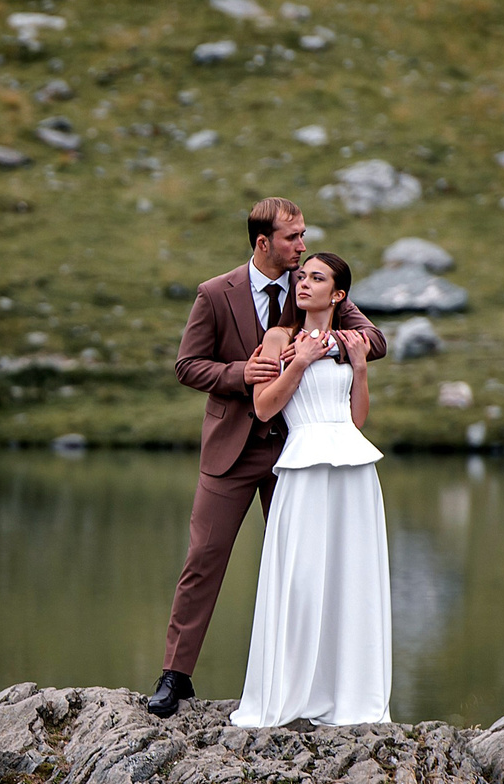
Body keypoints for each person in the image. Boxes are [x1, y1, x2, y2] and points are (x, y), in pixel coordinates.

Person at [144, 199, 386, 719]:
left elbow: (373, 339)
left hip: (297, 452)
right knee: (203, 560)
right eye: (292, 237)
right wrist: (241, 375)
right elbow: (188, 366)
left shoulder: (315, 286)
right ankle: (175, 676)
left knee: (304, 567)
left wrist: (319, 343)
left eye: (303, 237)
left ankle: (308, 684)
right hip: (231, 449)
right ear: (263, 242)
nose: (301, 246)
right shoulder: (214, 293)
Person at [228, 252, 392, 728]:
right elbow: (262, 408)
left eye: (316, 278)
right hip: (301, 463)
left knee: (351, 576)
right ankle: (290, 693)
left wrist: (359, 367)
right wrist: (297, 363)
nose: (302, 283)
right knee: (300, 578)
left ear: (338, 295)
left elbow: (356, 419)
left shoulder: (351, 339)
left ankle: (350, 697)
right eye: (301, 276)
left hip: (353, 468)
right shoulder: (279, 338)